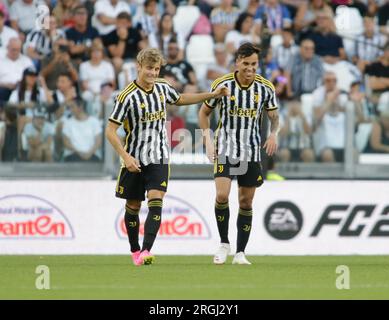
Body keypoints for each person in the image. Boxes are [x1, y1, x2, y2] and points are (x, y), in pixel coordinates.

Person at [105, 48, 229, 266]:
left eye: (156, 69)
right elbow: (110, 130)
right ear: (139, 67)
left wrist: (213, 95)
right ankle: (135, 251)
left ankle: (145, 251)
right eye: (149, 69)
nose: (153, 73)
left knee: (156, 198)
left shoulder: (162, 87)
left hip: (159, 156)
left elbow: (180, 98)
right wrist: (125, 156)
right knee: (133, 207)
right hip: (134, 158)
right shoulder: (126, 97)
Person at [198, 42, 279, 265]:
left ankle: (240, 253)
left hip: (252, 151)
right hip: (225, 148)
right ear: (237, 62)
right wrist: (207, 139)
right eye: (246, 64)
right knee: (222, 195)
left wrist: (273, 134)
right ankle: (224, 243)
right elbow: (204, 113)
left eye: (254, 64)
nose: (250, 68)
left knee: (246, 202)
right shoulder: (222, 84)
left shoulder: (265, 88)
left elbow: (274, 117)